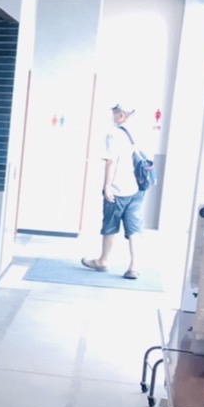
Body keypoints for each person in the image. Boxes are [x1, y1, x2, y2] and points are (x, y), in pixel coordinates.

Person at [82, 101, 147, 279]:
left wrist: (107, 186)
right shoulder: (139, 132)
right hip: (137, 188)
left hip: (118, 189)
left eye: (114, 113)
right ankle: (134, 266)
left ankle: (103, 261)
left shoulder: (113, 134)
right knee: (134, 228)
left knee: (110, 224)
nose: (112, 116)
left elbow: (111, 161)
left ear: (121, 116)